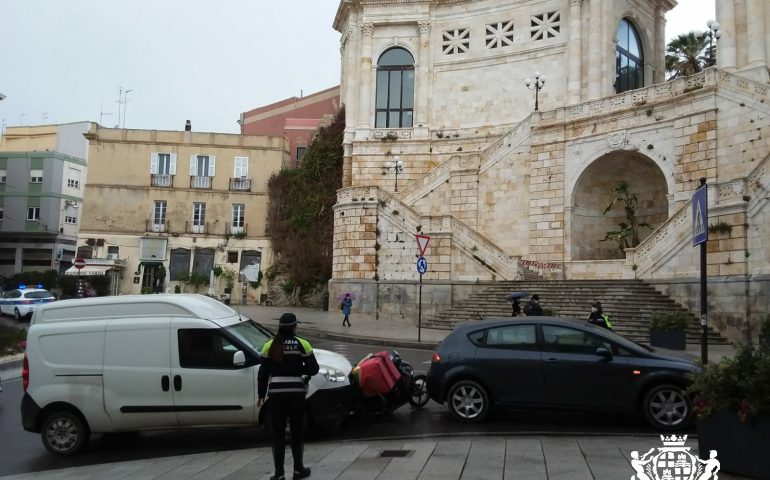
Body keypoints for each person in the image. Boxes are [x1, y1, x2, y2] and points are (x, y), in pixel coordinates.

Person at [258, 313, 319, 480]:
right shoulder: (302, 343)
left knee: (277, 434)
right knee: (297, 432)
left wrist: (261, 394)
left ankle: (279, 473)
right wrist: (299, 370)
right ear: (294, 326)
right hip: (296, 394)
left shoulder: (269, 345)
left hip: (276, 394)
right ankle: (298, 470)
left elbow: (263, 373)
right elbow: (314, 369)